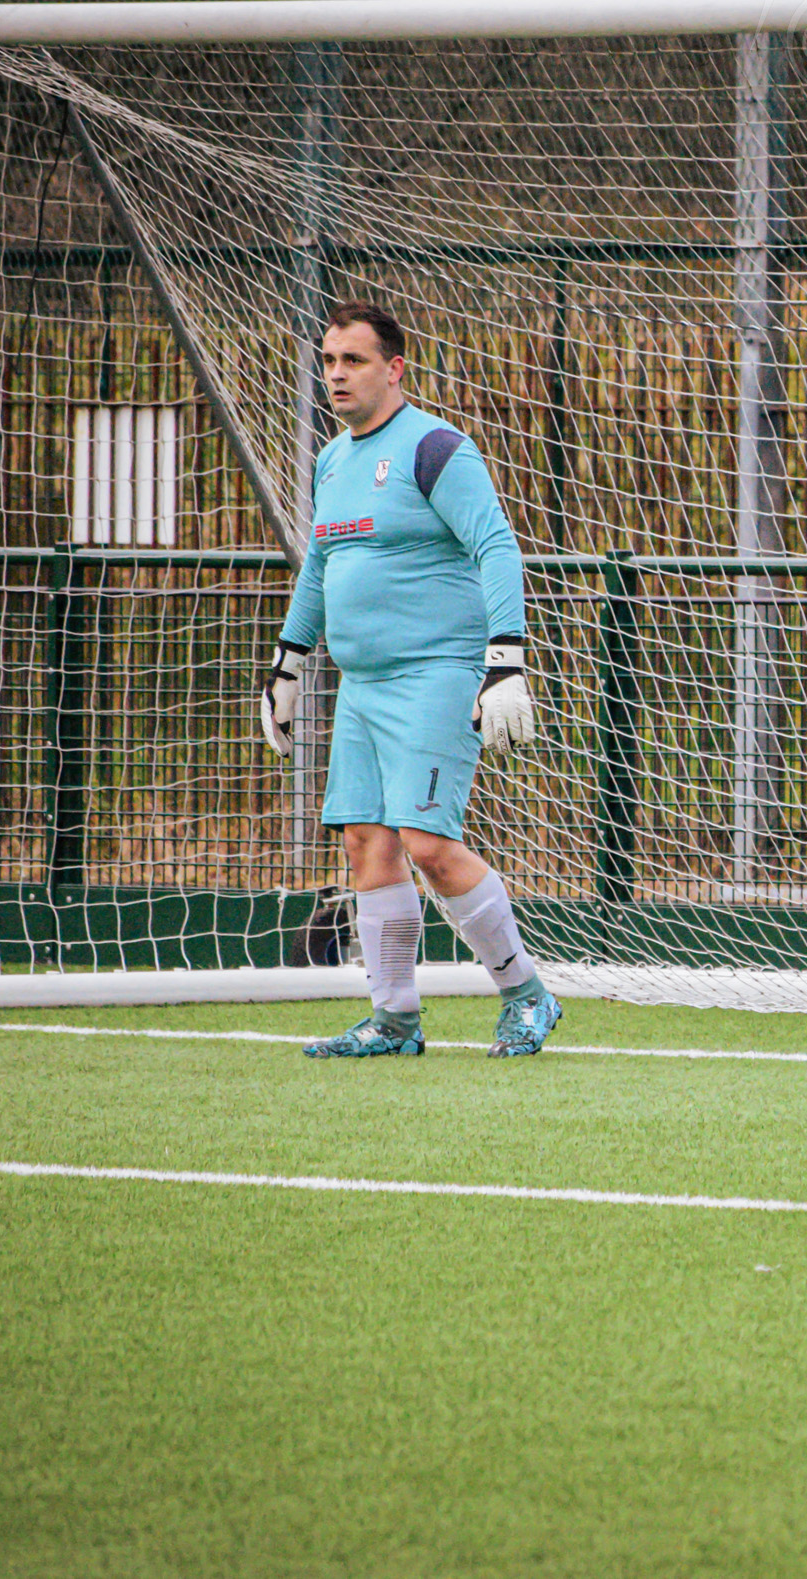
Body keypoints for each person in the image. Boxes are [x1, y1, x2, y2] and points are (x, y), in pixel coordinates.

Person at [258, 300, 563, 1059]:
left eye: (353, 360)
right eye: (328, 360)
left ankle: (528, 993)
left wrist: (506, 661)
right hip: (360, 685)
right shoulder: (333, 459)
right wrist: (290, 662)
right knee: (367, 842)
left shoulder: (436, 447)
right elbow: (322, 565)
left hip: (436, 673)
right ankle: (394, 1019)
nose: (336, 374)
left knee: (427, 841)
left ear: (394, 368)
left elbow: (497, 545)